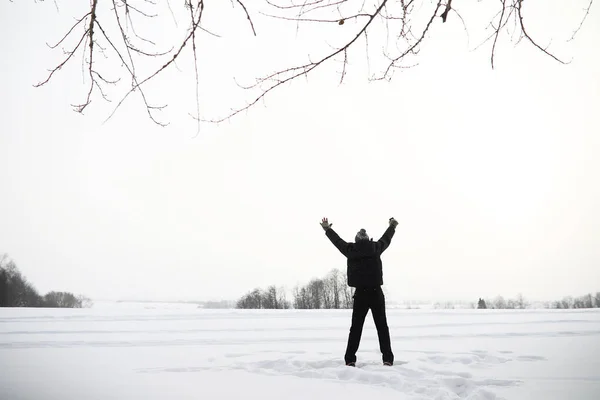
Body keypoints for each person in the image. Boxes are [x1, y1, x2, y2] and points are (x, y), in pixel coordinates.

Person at [320, 217, 398, 367]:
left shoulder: (351, 250)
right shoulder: (375, 248)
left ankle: (350, 359)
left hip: (361, 294)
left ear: (356, 240)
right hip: (376, 293)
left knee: (355, 328)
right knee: (382, 327)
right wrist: (392, 226)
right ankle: (387, 359)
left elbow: (338, 241)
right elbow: (386, 238)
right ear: (368, 239)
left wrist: (327, 229)